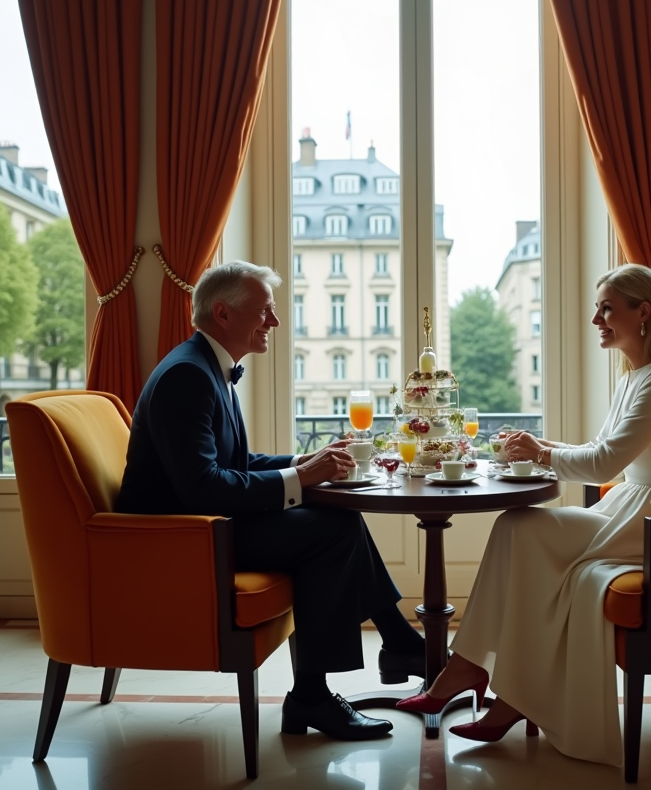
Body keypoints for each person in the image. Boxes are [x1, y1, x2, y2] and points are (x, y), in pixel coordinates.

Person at [398, 263, 651, 765]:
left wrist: (540, 454)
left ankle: (479, 679)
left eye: (608, 307)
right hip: (634, 505)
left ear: (643, 312)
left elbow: (605, 462)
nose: (597, 318)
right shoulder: (640, 375)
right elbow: (604, 449)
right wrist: (539, 445)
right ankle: (481, 677)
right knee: (519, 524)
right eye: (598, 307)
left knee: (527, 532)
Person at [115, 261, 426, 742]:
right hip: (182, 539)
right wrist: (302, 475)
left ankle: (389, 646)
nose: (275, 323)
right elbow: (204, 487)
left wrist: (308, 459)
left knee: (334, 512)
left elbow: (234, 461)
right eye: (266, 311)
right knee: (331, 529)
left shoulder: (205, 366)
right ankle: (336, 682)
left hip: (205, 524)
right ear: (223, 313)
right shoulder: (188, 376)